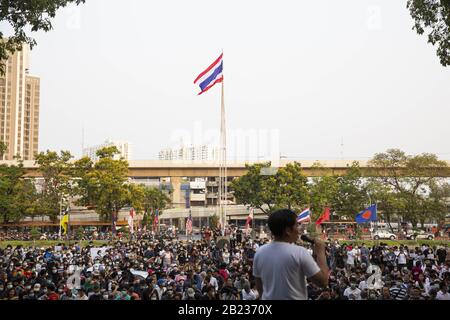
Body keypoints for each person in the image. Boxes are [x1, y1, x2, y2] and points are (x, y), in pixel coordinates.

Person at [252, 209, 329, 300]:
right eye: (297, 225)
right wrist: (321, 252)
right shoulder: (300, 252)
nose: (299, 229)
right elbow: (323, 282)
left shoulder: (259, 253)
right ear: (288, 230)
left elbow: (260, 286)